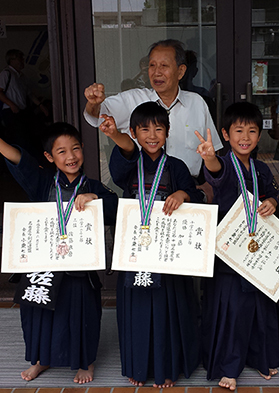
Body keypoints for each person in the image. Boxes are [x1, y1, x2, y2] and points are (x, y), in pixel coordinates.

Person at [0, 117, 118, 384]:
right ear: (50, 157)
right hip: (44, 263)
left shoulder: (92, 186)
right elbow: (21, 161)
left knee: (82, 311)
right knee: (37, 311)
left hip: (77, 269)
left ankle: (86, 361)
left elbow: (115, 204)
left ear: (83, 148)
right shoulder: (43, 183)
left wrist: (95, 198)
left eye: (75, 148)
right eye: (61, 152)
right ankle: (41, 359)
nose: (71, 156)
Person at [101, 101, 203, 388]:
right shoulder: (129, 163)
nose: (152, 135)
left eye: (159, 128)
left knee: (169, 309)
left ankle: (168, 366)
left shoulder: (177, 166)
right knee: (138, 308)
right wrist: (115, 136)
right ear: (133, 133)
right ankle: (138, 365)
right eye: (144, 129)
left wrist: (183, 194)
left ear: (168, 132)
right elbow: (125, 154)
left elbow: (197, 196)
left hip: (168, 253)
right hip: (136, 247)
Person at [195, 102, 279, 391]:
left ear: (259, 136)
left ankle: (262, 355)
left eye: (252, 130)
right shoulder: (223, 163)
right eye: (238, 130)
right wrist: (210, 157)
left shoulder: (261, 168)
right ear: (226, 134)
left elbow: (271, 194)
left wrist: (271, 202)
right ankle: (229, 366)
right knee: (233, 308)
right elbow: (215, 175)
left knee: (260, 304)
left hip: (257, 249)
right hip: (229, 251)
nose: (245, 136)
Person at [83, 39, 223, 202]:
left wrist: (210, 184)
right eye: (152, 65)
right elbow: (97, 115)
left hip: (185, 192)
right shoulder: (132, 99)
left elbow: (213, 150)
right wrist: (93, 102)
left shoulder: (197, 103)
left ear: (180, 71)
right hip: (143, 191)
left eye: (164, 66)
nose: (157, 72)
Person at [0, 49, 49, 152]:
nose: (22, 61)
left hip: (21, 111)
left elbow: (29, 94)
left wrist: (41, 105)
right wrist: (11, 105)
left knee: (26, 138)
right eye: (20, 58)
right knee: (18, 139)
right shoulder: (6, 73)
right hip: (10, 112)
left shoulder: (22, 76)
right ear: (12, 60)